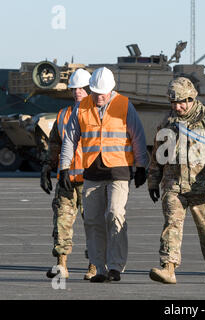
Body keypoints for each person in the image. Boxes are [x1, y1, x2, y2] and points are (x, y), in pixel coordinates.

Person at [59, 67, 148, 282]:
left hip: (118, 171)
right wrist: (64, 167)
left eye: (103, 93)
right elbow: (70, 139)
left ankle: (116, 266)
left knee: (115, 213)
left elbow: (138, 136)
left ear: (111, 90)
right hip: (92, 173)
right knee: (92, 220)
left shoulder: (124, 105)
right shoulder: (82, 107)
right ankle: (100, 269)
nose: (99, 97)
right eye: (96, 92)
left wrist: (142, 166)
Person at [148, 77, 205, 284]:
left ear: (191, 99)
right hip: (174, 184)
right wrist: (153, 180)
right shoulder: (167, 122)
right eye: (173, 103)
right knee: (172, 225)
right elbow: (158, 153)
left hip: (203, 185)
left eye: (181, 102)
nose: (177, 107)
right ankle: (168, 268)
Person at [41, 68, 97, 280]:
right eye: (74, 89)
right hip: (66, 180)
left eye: (81, 88)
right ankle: (61, 265)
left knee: (93, 224)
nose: (77, 92)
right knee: (61, 222)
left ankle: (94, 265)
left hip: (90, 179)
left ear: (90, 89)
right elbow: (55, 143)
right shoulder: (64, 115)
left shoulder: (97, 114)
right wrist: (47, 167)